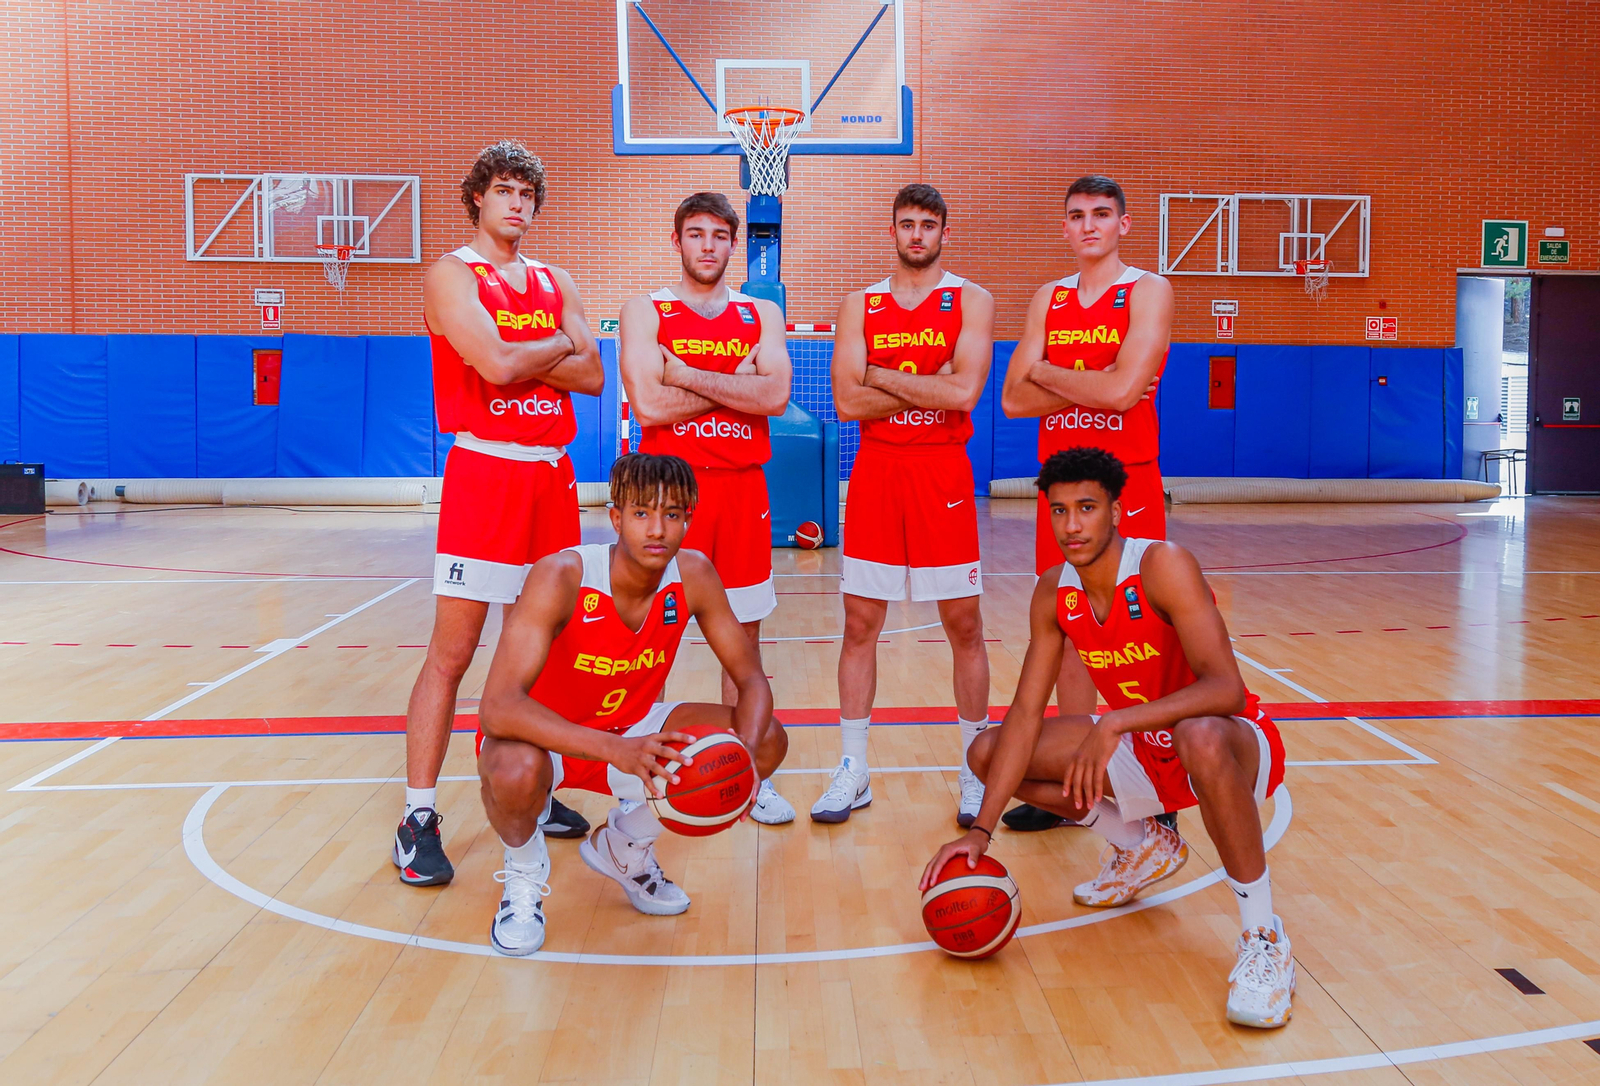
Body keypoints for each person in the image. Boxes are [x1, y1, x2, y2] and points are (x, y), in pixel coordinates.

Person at [921, 448, 1293, 1029]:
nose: (1071, 525)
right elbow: (1025, 712)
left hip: (1229, 740)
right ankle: (1142, 843)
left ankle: (1264, 938)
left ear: (1116, 511)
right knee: (988, 753)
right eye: (1059, 510)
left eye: (1087, 508)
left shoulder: (1162, 565)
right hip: (1146, 749)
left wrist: (1117, 722)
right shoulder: (1055, 592)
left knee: (1198, 736)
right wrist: (980, 832)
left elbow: (1226, 689)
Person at [475, 453, 790, 955]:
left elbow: (751, 678)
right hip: (549, 739)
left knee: (768, 738)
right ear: (616, 518)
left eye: (672, 514)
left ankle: (624, 845)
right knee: (514, 772)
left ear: (689, 519)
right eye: (642, 513)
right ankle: (523, 876)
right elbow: (497, 708)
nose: (657, 529)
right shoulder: (563, 576)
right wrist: (612, 749)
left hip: (634, 729)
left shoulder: (694, 574)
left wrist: (744, 759)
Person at [396, 140, 601, 887]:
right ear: (478, 197)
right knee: (452, 653)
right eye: (505, 190)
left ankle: (529, 787)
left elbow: (594, 373)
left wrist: (527, 347)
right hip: (485, 471)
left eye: (527, 194)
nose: (517, 204)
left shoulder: (555, 278)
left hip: (552, 478)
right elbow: (497, 365)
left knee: (538, 653)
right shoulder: (451, 274)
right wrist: (555, 342)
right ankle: (418, 817)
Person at [998, 174, 1175, 834]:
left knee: (1144, 631)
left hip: (1128, 483)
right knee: (1070, 627)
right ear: (1066, 226)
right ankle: (1077, 783)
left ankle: (1160, 783)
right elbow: (1013, 399)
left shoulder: (1148, 290)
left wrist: (1047, 370)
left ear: (1123, 223)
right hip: (1064, 487)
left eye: (1102, 214)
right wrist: (1092, 379)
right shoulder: (1049, 297)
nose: (1089, 225)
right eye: (1077, 215)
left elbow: (1125, 393)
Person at [819, 183, 995, 827]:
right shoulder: (860, 304)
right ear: (892, 231)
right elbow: (848, 402)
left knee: (965, 626)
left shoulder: (971, 299)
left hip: (941, 473)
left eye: (927, 224)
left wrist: (881, 375)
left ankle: (975, 767)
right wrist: (930, 383)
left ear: (944, 231)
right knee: (859, 624)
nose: (916, 235)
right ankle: (853, 768)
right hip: (877, 473)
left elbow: (965, 393)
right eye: (906, 224)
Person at [618, 191, 796, 825]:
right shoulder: (646, 309)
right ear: (677, 241)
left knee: (742, 642)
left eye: (720, 235)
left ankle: (748, 771)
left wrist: (685, 374)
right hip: (667, 495)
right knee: (646, 640)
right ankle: (634, 778)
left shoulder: (760, 312)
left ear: (734, 244)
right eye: (696, 234)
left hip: (742, 490)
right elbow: (650, 406)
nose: (708, 246)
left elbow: (775, 397)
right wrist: (736, 385)